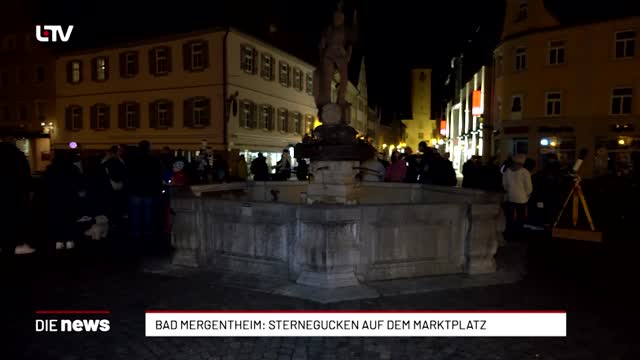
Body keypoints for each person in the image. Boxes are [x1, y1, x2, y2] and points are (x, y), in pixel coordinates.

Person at [43, 150, 86, 251]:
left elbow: (45, 186)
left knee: (57, 220)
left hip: (55, 200)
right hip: (69, 199)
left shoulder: (50, 169)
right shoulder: (72, 169)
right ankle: (69, 241)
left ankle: (58, 241)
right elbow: (80, 183)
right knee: (69, 220)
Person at [0, 141, 36, 255]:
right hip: (17, 195)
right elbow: (26, 178)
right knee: (15, 220)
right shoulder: (18, 158)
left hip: (5, 194)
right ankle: (14, 245)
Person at [127, 140, 163, 244]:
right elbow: (158, 176)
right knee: (148, 214)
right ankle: (148, 234)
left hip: (135, 190)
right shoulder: (154, 159)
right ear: (149, 148)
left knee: (135, 214)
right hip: (149, 190)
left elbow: (128, 175)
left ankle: (135, 234)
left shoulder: (132, 159)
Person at [502, 154, 533, 239]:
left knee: (509, 217)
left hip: (510, 197)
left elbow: (504, 184)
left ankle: (509, 234)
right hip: (522, 198)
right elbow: (528, 187)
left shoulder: (507, 171)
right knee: (520, 217)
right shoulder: (524, 172)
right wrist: (528, 194)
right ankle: (518, 234)